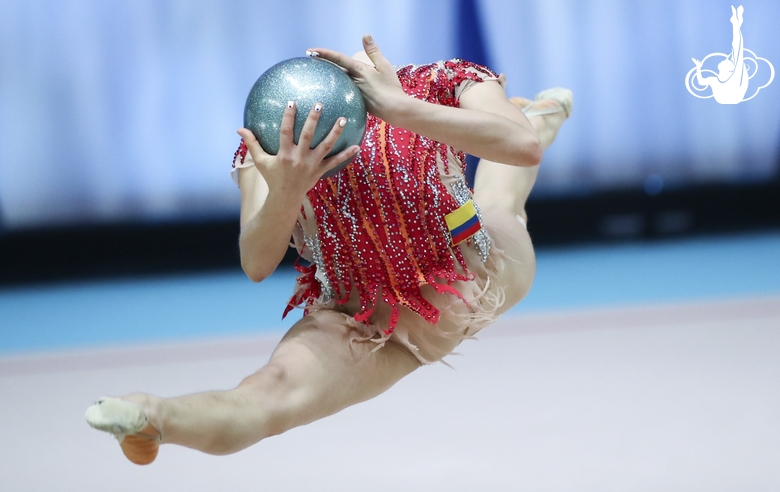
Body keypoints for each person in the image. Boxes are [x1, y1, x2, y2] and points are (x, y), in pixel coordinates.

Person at [85, 35, 572, 465]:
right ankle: (153, 417)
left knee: (499, 201)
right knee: (270, 394)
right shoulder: (268, 150)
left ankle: (539, 115)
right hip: (361, 321)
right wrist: (286, 190)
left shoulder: (436, 81)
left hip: (476, 271)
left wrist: (402, 110)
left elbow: (521, 147)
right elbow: (256, 263)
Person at [692, 5, 749, 104]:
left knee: (737, 51)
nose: (725, 59)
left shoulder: (733, 78)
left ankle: (736, 24)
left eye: (727, 61)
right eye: (728, 61)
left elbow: (738, 50)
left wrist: (736, 26)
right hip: (728, 97)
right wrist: (698, 67)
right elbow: (701, 82)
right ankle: (736, 23)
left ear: (729, 69)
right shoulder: (715, 80)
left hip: (733, 96)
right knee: (737, 51)